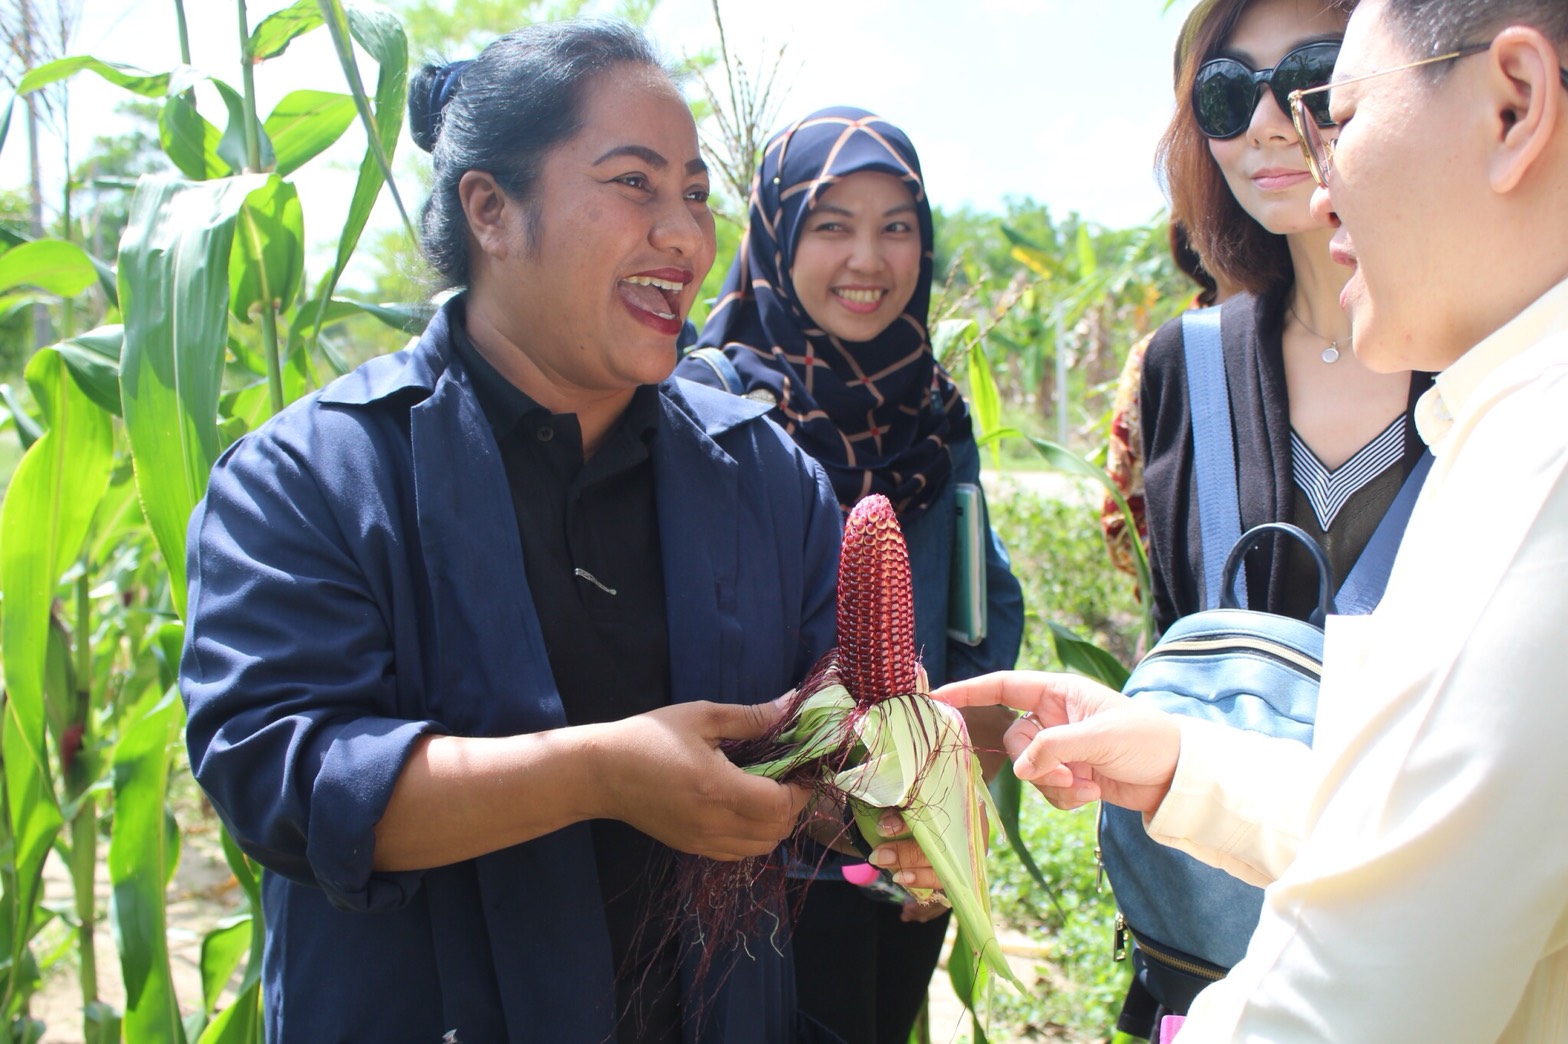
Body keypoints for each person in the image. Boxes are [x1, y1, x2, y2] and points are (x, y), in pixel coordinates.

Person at [178, 23, 939, 1043]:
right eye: (634, 184)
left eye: (696, 194)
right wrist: (598, 774)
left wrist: (901, 792)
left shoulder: (763, 478)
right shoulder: (313, 477)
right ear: (490, 209)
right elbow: (284, 777)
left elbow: (830, 720)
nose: (684, 236)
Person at [941, 0, 1568, 1037]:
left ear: (1511, 106)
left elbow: (1349, 1004)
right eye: (1232, 96)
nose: (1310, 162)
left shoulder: (1533, 461)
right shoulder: (1191, 372)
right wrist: (1189, 764)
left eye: (1338, 107)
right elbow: (1438, 821)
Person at [1106, 0, 1436, 1032]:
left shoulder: (1500, 372)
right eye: (1222, 92)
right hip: (1222, 965)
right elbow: (1183, 646)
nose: (1266, 120)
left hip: (1445, 941)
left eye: (1312, 71)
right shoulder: (1176, 370)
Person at [674, 106, 1025, 1044]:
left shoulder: (935, 414)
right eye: (833, 225)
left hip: (906, 845)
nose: (868, 260)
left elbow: (973, 616)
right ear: (777, 235)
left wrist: (941, 814)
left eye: (896, 226)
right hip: (758, 852)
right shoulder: (706, 404)